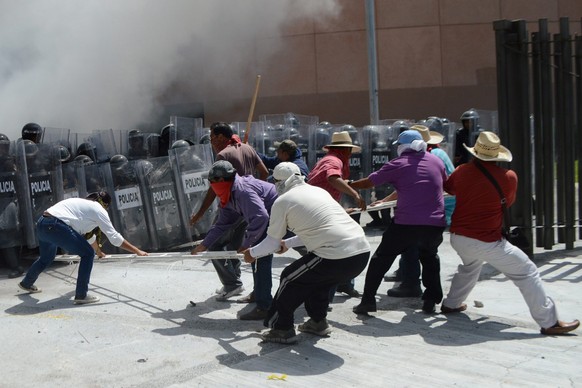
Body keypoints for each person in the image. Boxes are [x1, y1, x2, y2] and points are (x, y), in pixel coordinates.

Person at [440, 131, 579, 335]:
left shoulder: (461, 171)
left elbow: (450, 189)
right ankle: (550, 322)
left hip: (458, 237)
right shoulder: (509, 177)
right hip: (486, 239)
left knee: (470, 266)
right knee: (527, 271)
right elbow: (507, 202)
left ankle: (451, 303)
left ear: (476, 152)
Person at [243, 163, 370, 344]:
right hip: (360, 253)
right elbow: (318, 229)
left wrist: (252, 253)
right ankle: (318, 322)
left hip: (335, 255)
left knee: (289, 278)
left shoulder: (282, 201)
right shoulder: (319, 192)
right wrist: (287, 243)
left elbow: (271, 242)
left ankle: (282, 328)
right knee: (317, 281)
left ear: (279, 182)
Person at [350, 130, 447, 314]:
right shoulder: (436, 161)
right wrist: (386, 200)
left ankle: (368, 301)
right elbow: (420, 185)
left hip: (406, 224)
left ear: (403, 147)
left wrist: (348, 184)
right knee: (430, 259)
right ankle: (431, 300)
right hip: (435, 224)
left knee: (381, 259)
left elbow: (369, 182)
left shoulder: (398, 163)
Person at [18, 191, 148, 304]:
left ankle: (26, 283)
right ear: (106, 205)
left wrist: (99, 252)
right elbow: (114, 237)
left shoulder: (82, 205)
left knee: (46, 258)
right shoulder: (99, 209)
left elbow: (88, 236)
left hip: (42, 224)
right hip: (56, 226)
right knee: (87, 254)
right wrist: (137, 251)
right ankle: (81, 294)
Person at [189, 122, 269, 303]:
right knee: (234, 244)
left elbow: (214, 187)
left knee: (215, 245)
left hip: (231, 206)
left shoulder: (223, 155)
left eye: (212, 137)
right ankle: (235, 281)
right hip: (249, 208)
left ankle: (232, 283)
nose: (211, 142)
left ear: (221, 137)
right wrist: (254, 193)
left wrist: (200, 212)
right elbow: (264, 173)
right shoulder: (247, 148)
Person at [191, 160, 275, 320]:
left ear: (221, 181)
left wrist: (247, 244)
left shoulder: (242, 191)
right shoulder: (229, 194)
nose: (210, 185)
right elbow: (222, 223)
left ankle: (264, 306)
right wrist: (204, 244)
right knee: (255, 258)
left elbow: (261, 217)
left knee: (260, 258)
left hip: (278, 217)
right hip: (268, 219)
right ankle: (259, 294)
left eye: (211, 182)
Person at [386, 124, 456, 298]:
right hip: (436, 208)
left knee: (412, 244)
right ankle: (406, 273)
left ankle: (411, 283)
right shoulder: (436, 154)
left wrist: (386, 200)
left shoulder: (429, 156)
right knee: (423, 249)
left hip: (436, 209)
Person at [307, 131, 366, 299]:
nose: (350, 154)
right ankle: (325, 294)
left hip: (324, 208)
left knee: (345, 246)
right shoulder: (333, 160)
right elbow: (333, 179)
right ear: (345, 150)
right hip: (319, 211)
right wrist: (355, 194)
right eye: (349, 150)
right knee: (335, 250)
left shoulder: (331, 159)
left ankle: (344, 284)